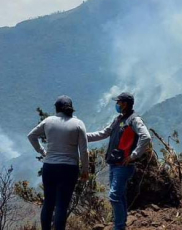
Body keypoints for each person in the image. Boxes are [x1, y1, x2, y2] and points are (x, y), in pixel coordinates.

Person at [87, 92, 152, 230]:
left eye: (119, 102)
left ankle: (119, 226)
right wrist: (83, 136)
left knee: (114, 196)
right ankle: (121, 225)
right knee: (120, 195)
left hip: (123, 165)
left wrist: (133, 155)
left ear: (125, 103)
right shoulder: (119, 119)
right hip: (114, 164)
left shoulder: (134, 120)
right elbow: (104, 133)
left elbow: (146, 137)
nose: (117, 105)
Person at [27, 95, 89, 230]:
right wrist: (85, 170)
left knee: (48, 202)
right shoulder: (78, 123)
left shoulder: (48, 121)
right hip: (69, 169)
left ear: (56, 108)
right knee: (62, 205)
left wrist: (43, 152)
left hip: (49, 167)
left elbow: (31, 136)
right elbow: (84, 151)